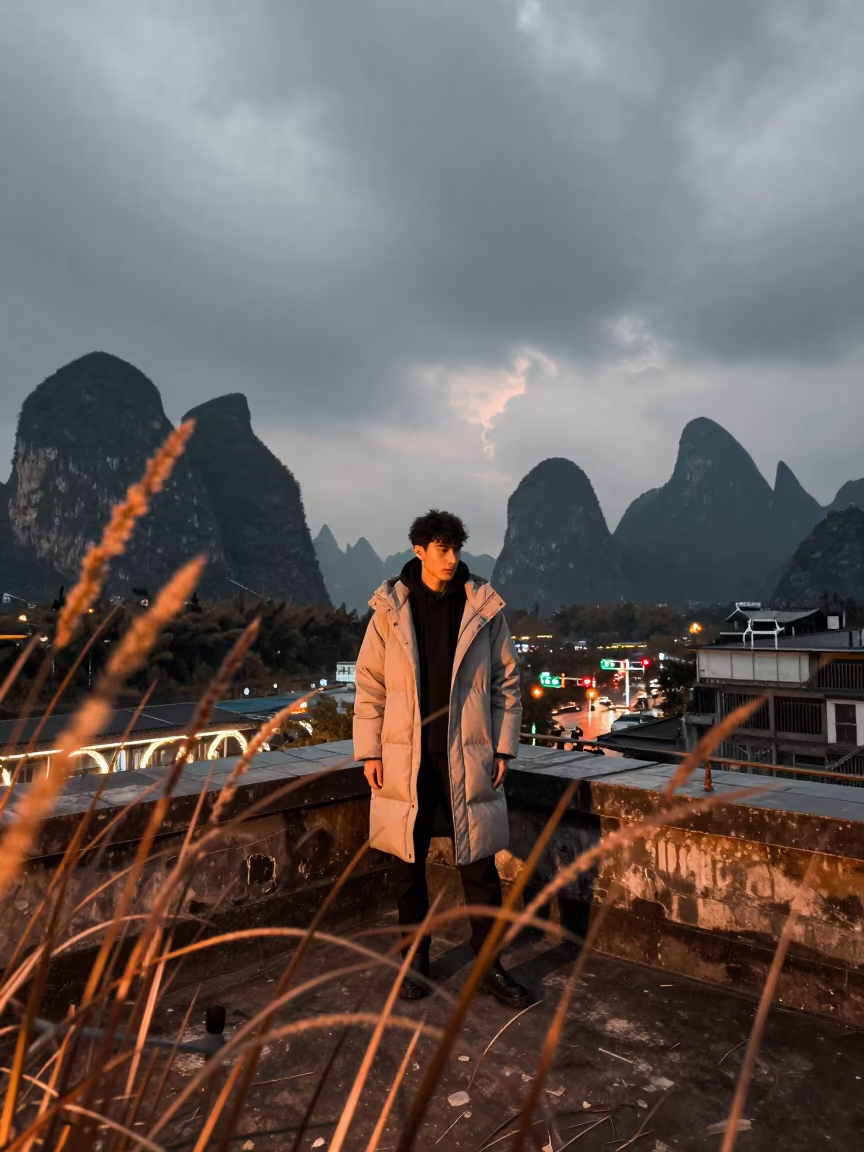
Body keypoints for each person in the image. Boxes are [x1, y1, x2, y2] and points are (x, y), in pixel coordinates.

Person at [353, 509, 531, 1007]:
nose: (452, 559)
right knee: (406, 870)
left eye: (456, 548)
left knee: (478, 868)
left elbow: (506, 682)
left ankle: (491, 965)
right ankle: (415, 965)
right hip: (406, 761)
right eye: (441, 549)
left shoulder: (483, 609)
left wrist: (502, 746)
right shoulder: (388, 611)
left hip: (466, 757)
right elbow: (369, 686)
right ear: (419, 551)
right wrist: (369, 751)